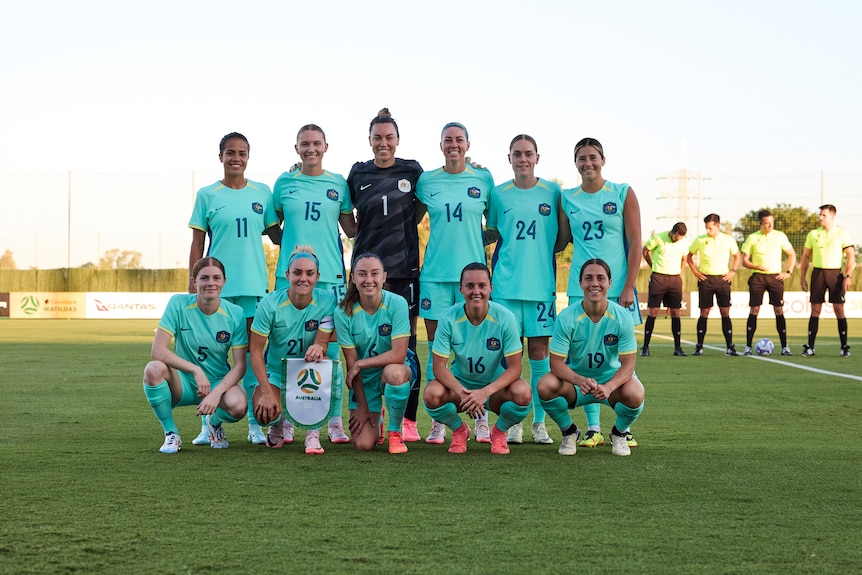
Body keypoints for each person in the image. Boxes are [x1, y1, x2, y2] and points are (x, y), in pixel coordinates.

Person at [188, 132, 280, 446]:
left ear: (248, 157)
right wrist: (193, 284)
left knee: (254, 358)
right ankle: (208, 425)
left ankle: (255, 424)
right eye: (230, 153)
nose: (236, 158)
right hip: (217, 291)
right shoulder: (207, 195)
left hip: (254, 288)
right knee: (213, 360)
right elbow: (197, 242)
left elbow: (277, 235)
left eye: (241, 153)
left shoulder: (263, 193)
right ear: (221, 157)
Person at [272, 124, 357, 445]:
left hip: (331, 277)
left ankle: (334, 422)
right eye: (305, 144)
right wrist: (295, 254)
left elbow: (351, 229)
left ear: (326, 147)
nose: (311, 149)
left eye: (316, 144)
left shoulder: (338, 184)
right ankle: (289, 420)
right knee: (288, 350)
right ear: (296, 149)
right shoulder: (284, 182)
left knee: (330, 350)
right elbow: (273, 227)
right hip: (289, 277)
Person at [556, 137, 642, 450]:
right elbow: (560, 240)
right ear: (575, 163)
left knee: (620, 355)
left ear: (603, 160)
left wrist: (629, 284)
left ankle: (623, 426)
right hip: (581, 288)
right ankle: (593, 428)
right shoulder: (567, 198)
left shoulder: (622, 192)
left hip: (617, 289)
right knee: (580, 356)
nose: (587, 163)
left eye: (593, 157)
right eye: (581, 158)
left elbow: (636, 242)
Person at [347, 109, 426, 442]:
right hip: (365, 273)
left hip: (403, 272)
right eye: (377, 137)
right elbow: (345, 217)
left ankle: (406, 419)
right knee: (359, 342)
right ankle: (366, 410)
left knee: (405, 347)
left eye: (388, 137)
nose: (383, 143)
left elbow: (420, 209)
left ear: (397, 140)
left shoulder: (413, 170)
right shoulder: (357, 173)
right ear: (369, 140)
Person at [415, 122, 495, 444]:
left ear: (468, 144)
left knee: (477, 350)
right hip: (434, 275)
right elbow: (412, 218)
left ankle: (481, 418)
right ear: (441, 145)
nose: (454, 145)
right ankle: (440, 421)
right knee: (439, 351)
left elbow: (497, 227)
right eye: (448, 140)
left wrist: (474, 242)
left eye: (459, 140)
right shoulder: (427, 181)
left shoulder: (483, 178)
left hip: (473, 278)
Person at [485, 134, 562, 445]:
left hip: (541, 287)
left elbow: (560, 239)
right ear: (509, 158)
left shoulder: (553, 192)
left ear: (537, 157)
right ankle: (514, 421)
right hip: (504, 288)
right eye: (517, 154)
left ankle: (539, 424)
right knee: (510, 358)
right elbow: (491, 233)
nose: (523, 159)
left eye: (528, 154)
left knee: (539, 355)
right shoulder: (499, 194)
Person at [538, 259, 645, 457]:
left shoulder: (622, 317)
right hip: (577, 384)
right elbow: (555, 363)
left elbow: (628, 364)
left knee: (636, 393)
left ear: (610, 282)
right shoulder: (567, 317)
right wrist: (579, 380)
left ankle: (619, 433)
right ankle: (569, 432)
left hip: (611, 383)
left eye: (600, 278)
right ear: (580, 283)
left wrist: (610, 387)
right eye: (588, 278)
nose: (594, 283)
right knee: (545, 385)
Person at [422, 263, 531, 455]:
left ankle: (498, 433)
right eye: (470, 286)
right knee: (431, 394)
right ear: (461, 288)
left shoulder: (506, 318)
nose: (476, 291)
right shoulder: (448, 317)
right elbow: (439, 367)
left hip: (493, 387)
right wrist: (463, 393)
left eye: (482, 286)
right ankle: (459, 430)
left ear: (491, 287)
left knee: (523, 393)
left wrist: (485, 392)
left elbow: (515, 368)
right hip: (460, 386)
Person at [142, 257, 248, 453]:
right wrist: (195, 369)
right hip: (182, 382)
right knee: (153, 369)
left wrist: (216, 394)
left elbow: (240, 365)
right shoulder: (178, 303)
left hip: (217, 381)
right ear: (194, 281)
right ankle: (171, 433)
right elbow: (157, 351)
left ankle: (213, 424)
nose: (211, 283)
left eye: (216, 278)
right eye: (204, 278)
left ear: (224, 281)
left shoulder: (236, 313)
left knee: (239, 405)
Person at [249, 246, 336, 454]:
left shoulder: (328, 301)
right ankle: (277, 423)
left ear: (317, 276)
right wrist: (267, 392)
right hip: (278, 373)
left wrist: (318, 346)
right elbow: (255, 351)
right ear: (287, 274)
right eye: (297, 272)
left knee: (323, 362)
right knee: (264, 411)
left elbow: (324, 341)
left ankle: (313, 433)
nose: (303, 278)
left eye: (309, 273)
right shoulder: (269, 304)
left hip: (309, 372)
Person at [334, 253, 417, 453]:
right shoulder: (343, 312)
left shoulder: (397, 303)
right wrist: (362, 407)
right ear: (353, 278)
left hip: (397, 370)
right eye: (362, 274)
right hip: (364, 380)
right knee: (363, 444)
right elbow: (352, 367)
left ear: (384, 276)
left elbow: (398, 355)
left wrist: (361, 364)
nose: (368, 280)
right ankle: (375, 415)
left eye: (374, 274)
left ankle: (395, 432)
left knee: (394, 373)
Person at [799, 204, 855, 357]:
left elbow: (851, 256)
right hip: (818, 274)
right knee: (815, 310)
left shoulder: (841, 233)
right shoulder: (813, 234)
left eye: (823, 215)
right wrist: (802, 277)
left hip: (835, 274)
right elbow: (805, 257)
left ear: (832, 216)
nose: (820, 218)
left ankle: (844, 347)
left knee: (839, 310)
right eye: (820, 215)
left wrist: (848, 275)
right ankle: (810, 347)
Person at [740, 210, 797, 356]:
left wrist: (788, 272)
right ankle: (748, 347)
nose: (769, 225)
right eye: (766, 223)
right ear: (760, 223)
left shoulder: (780, 236)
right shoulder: (753, 238)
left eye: (772, 222)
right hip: (758, 277)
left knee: (779, 310)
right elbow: (744, 261)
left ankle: (785, 347)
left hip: (775, 278)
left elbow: (792, 254)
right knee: (754, 310)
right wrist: (756, 266)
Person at [687, 213, 741, 356]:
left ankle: (730, 346)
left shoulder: (728, 240)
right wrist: (696, 272)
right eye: (706, 228)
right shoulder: (700, 240)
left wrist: (733, 271)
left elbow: (737, 255)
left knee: (725, 312)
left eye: (710, 228)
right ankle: (699, 347)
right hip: (706, 280)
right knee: (704, 312)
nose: (708, 231)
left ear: (718, 226)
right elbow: (689, 256)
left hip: (723, 280)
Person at [641, 222, 689, 357]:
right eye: (676, 237)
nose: (677, 240)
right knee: (653, 311)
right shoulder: (659, 238)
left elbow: (685, 258)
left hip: (675, 279)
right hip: (658, 278)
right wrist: (652, 265)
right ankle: (645, 347)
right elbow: (645, 250)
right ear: (672, 232)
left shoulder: (684, 242)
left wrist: (681, 272)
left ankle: (678, 348)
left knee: (675, 312)